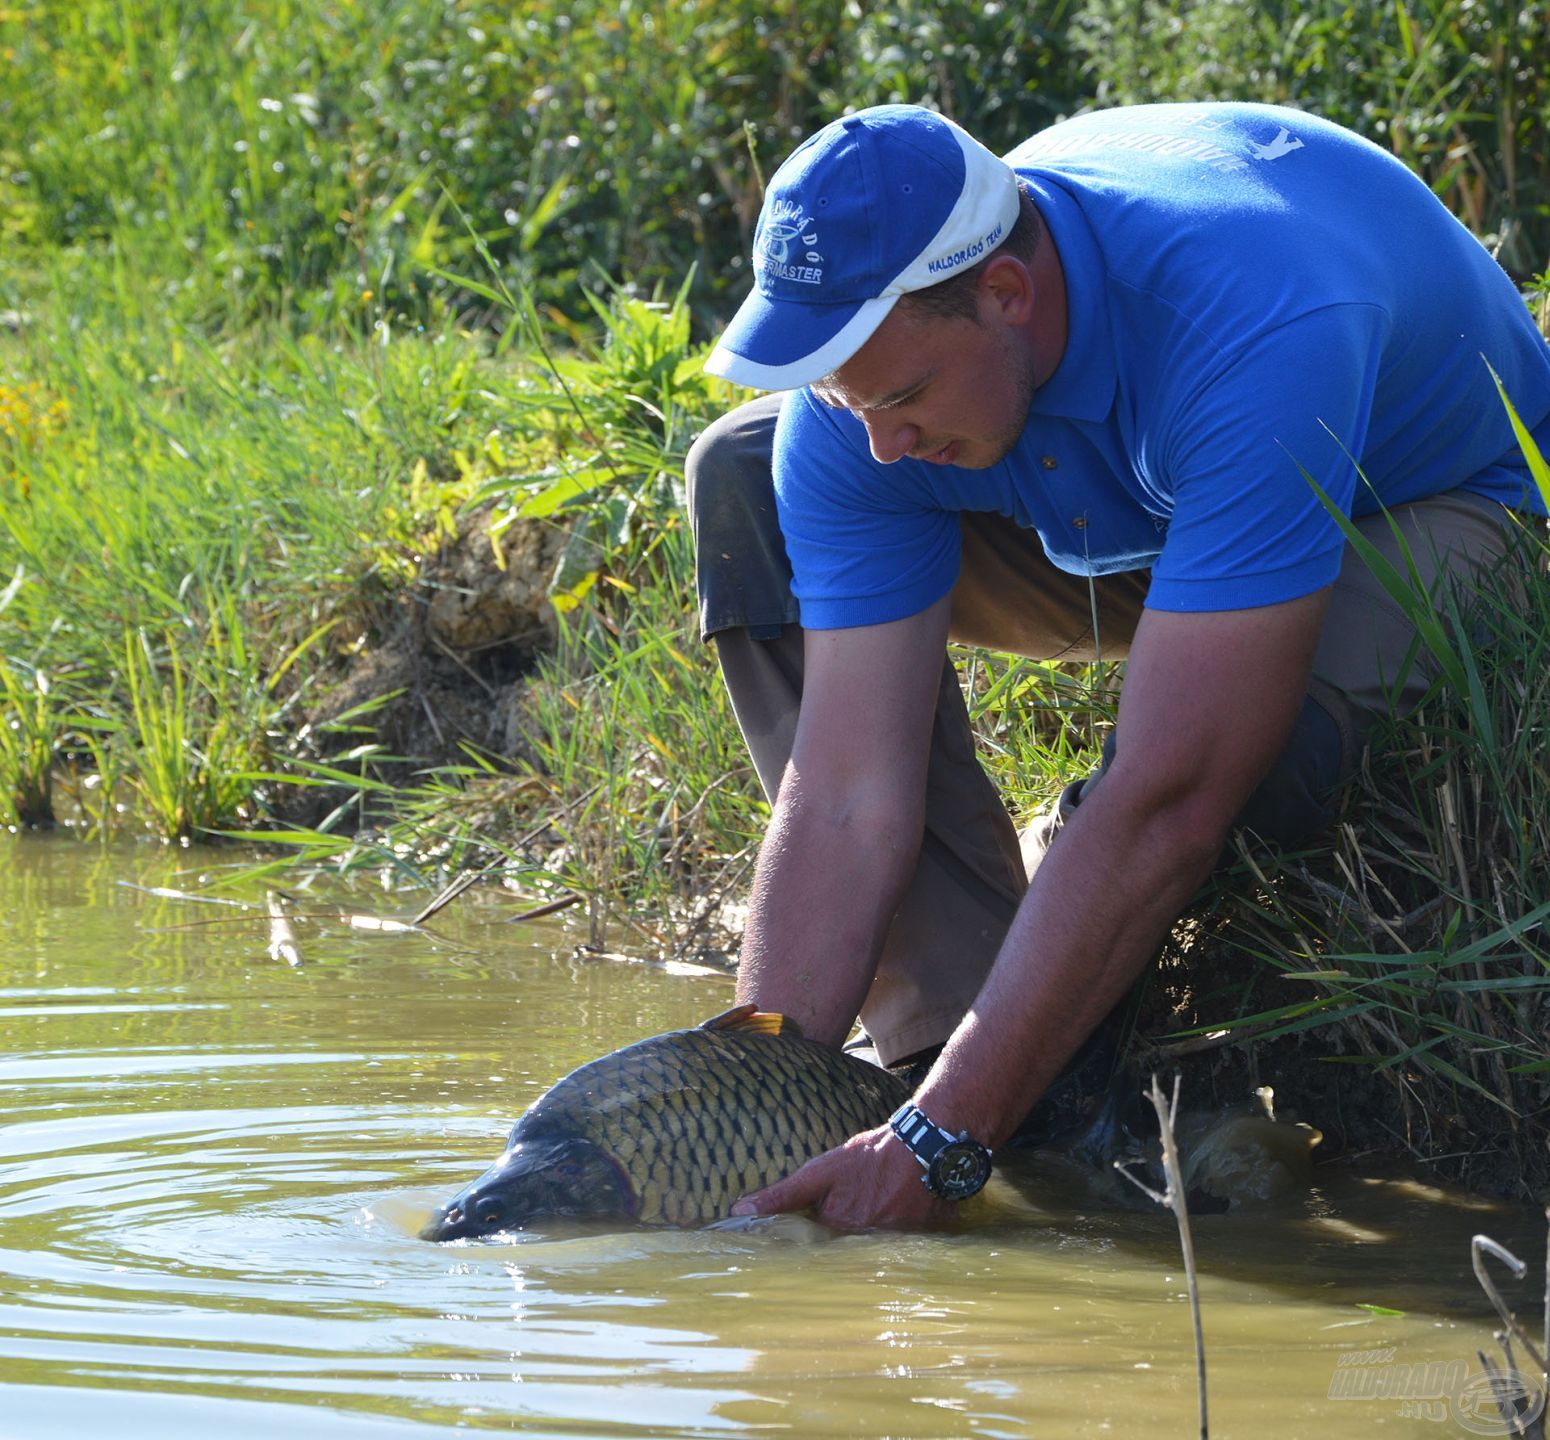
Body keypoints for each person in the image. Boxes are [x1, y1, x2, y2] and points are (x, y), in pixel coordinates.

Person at [683, 102, 1550, 1228]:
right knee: (747, 471)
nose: (879, 441)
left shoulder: (1251, 309)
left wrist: (945, 1148)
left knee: (1244, 760)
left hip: (1417, 502)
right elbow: (845, 794)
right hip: (1132, 513)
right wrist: (751, 1111)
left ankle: (997, 1077)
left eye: (897, 396)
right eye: (852, 398)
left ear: (1005, 291)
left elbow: (1171, 799)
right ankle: (956, 1051)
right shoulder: (874, 413)